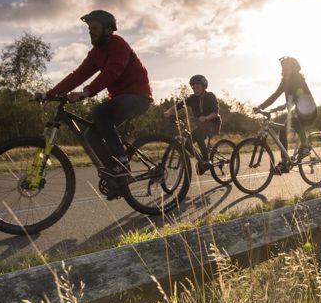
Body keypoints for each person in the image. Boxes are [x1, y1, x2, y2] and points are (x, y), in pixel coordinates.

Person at [42, 10, 152, 185]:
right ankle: (115, 175)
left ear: (108, 30)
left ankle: (121, 162)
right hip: (119, 99)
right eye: (89, 28)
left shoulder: (119, 44)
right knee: (90, 134)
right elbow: (77, 75)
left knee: (98, 111)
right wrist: (50, 93)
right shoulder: (96, 53)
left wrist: (87, 92)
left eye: (94, 28)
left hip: (138, 97)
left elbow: (112, 72)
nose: (90, 32)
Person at [256, 56, 317, 170]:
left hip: (308, 110)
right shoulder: (284, 82)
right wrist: (261, 106)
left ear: (293, 69)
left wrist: (288, 105)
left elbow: (299, 95)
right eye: (283, 68)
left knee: (295, 117)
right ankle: (284, 162)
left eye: (287, 68)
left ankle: (305, 146)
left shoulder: (298, 79)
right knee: (283, 130)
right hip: (296, 112)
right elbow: (275, 95)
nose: (284, 70)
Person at [164, 75, 221, 174]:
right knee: (188, 142)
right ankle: (202, 161)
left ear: (203, 86)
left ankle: (206, 160)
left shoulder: (210, 96)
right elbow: (180, 105)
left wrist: (205, 118)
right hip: (202, 125)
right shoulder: (192, 98)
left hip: (213, 123)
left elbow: (215, 112)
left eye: (197, 87)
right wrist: (169, 111)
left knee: (198, 135)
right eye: (193, 88)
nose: (195, 90)